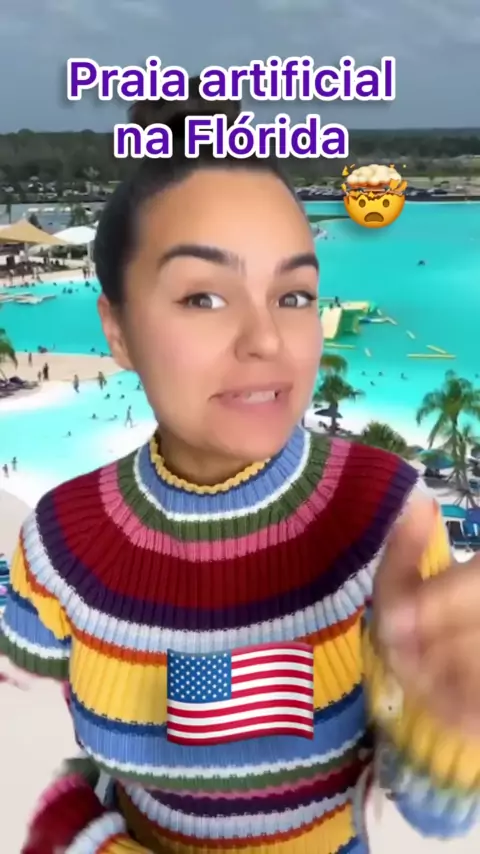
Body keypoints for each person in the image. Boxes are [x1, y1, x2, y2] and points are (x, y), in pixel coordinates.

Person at [2, 79, 480, 854]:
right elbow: (26, 749)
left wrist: (452, 740)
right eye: (203, 298)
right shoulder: (62, 540)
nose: (267, 341)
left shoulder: (387, 516)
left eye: (293, 295)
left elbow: (427, 815)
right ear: (117, 330)